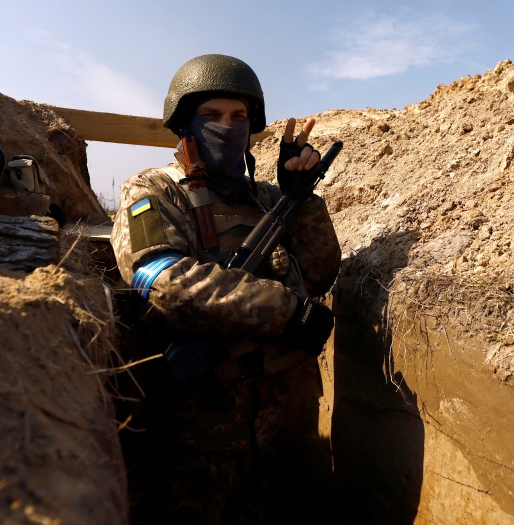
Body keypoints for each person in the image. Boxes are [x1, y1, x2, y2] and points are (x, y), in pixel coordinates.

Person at [110, 54, 341, 524]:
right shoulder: (155, 191)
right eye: (211, 116)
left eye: (238, 117)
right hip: (195, 433)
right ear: (185, 124)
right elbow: (163, 282)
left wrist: (303, 197)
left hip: (279, 426)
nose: (227, 127)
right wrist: (283, 311)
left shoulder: (268, 200)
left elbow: (320, 273)